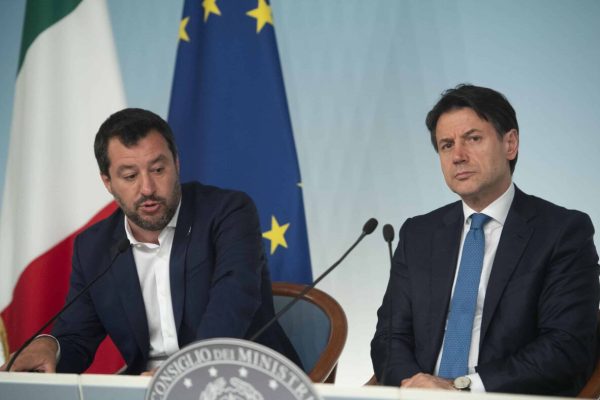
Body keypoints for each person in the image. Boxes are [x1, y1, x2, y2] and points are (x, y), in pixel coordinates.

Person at [1, 108, 301, 374]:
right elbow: (77, 336)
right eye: (130, 175)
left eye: (158, 169)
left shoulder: (227, 213)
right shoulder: (94, 247)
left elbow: (232, 305)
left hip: (239, 383)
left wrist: (180, 374)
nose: (147, 188)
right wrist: (50, 348)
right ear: (108, 182)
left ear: (177, 164)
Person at [371, 84, 599, 396]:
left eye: (473, 139)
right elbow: (388, 337)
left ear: (510, 143)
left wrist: (461, 388)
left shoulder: (562, 232)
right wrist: (416, 384)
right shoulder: (418, 234)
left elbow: (565, 346)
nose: (458, 156)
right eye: (446, 145)